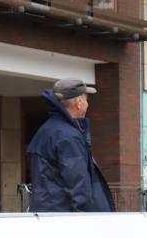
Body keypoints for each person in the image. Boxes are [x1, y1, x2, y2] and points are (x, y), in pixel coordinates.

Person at [27, 79, 115, 213]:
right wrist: (85, 218)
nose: (87, 104)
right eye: (86, 99)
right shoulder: (68, 137)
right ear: (78, 103)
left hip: (47, 212)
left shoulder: (45, 131)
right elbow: (78, 185)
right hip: (65, 218)